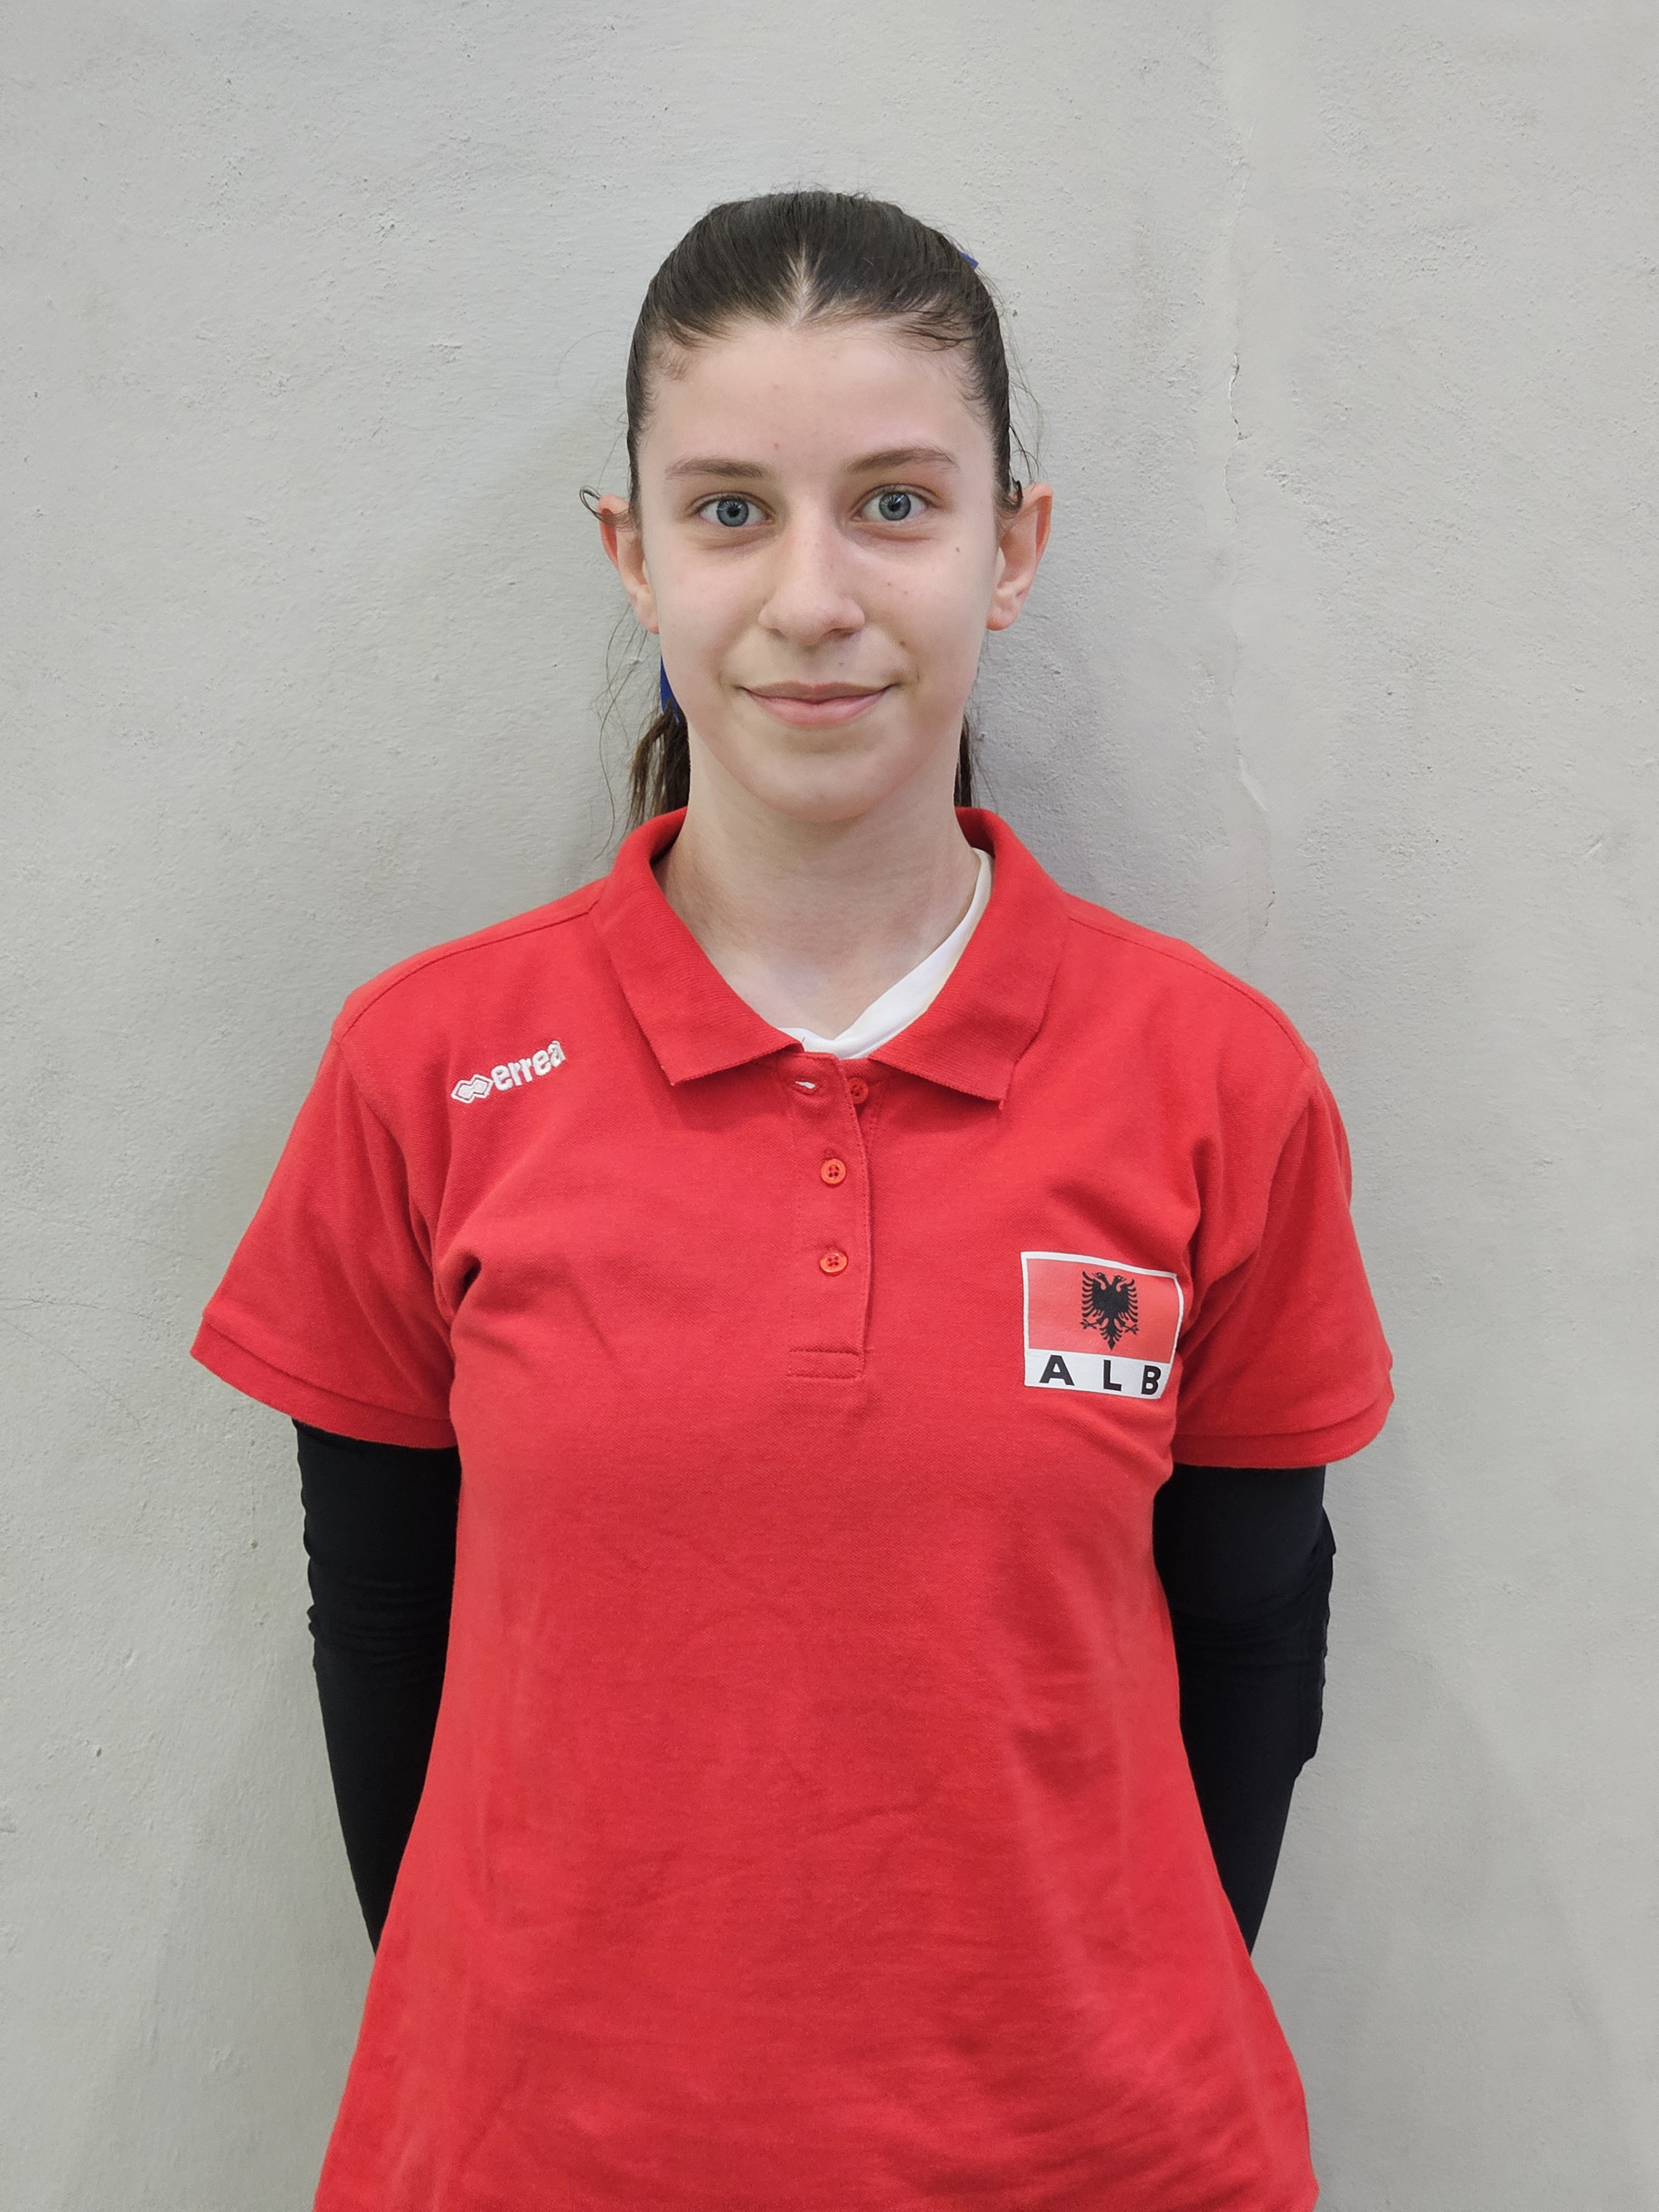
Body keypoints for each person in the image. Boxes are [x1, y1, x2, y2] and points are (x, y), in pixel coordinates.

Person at [192, 189, 1391, 2212]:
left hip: (1105, 2165)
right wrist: (530, 2043)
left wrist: (1101, 2032)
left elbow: (1254, 1631)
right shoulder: (429, 1066)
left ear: (1010, 547)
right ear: (632, 554)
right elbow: (382, 1624)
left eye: (894, 505)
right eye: (731, 510)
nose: (811, 596)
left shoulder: (1212, 1081)